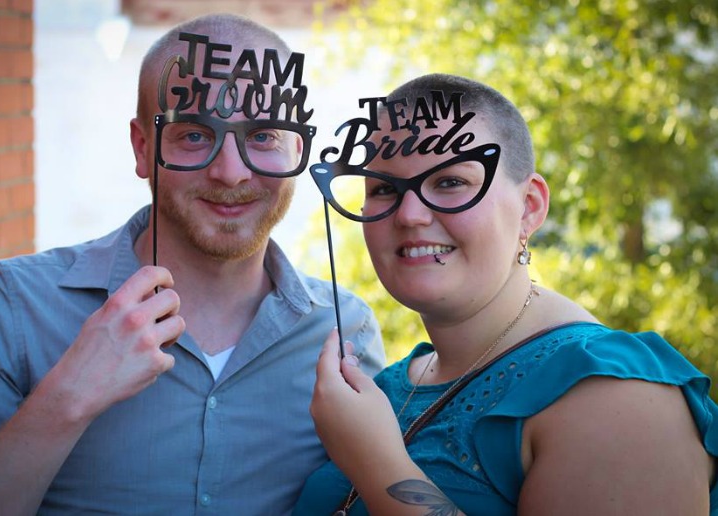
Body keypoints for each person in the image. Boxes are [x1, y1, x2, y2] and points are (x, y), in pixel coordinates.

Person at [0, 13, 385, 515]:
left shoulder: (345, 331)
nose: (231, 172)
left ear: (299, 150)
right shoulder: (11, 305)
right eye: (196, 136)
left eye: (263, 136)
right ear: (143, 148)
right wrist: (69, 396)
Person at [293, 73, 717, 515]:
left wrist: (378, 466)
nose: (411, 215)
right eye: (383, 189)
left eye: (450, 181)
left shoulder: (621, 399)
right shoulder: (388, 387)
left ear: (530, 206)